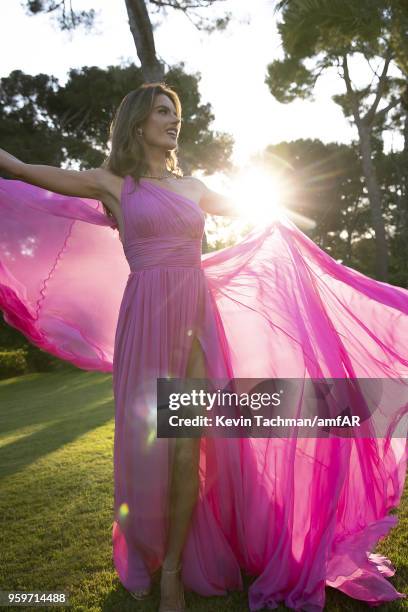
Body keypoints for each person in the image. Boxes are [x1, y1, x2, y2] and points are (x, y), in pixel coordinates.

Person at [0, 82, 407, 612]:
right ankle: (157, 551)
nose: (174, 120)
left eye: (177, 112)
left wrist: (284, 236)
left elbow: (259, 210)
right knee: (153, 449)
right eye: (163, 112)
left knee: (189, 439)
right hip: (145, 319)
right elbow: (23, 169)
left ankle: (172, 568)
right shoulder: (111, 184)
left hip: (196, 317)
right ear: (138, 123)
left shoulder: (193, 187)